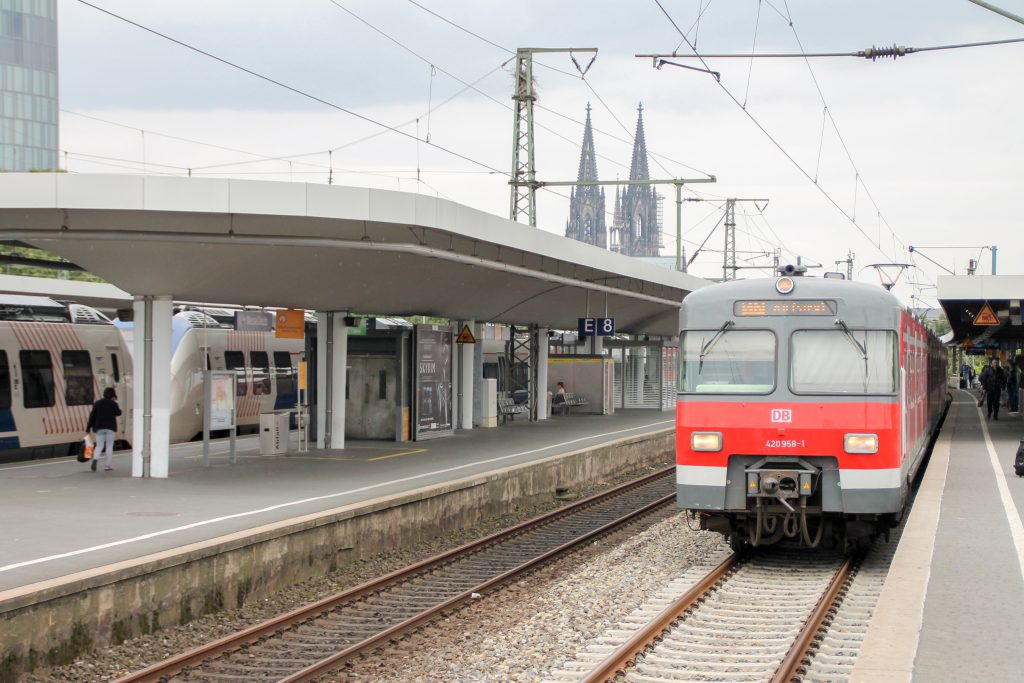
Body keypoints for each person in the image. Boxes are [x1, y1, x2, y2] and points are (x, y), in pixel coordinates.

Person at [86, 387, 122, 471]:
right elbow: (119, 412)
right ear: (113, 395)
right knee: (109, 446)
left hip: (99, 427)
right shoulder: (113, 403)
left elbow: (92, 416)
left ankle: (95, 459)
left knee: (99, 445)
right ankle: (107, 466)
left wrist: (88, 428)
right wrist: (114, 402)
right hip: (110, 428)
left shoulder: (97, 403)